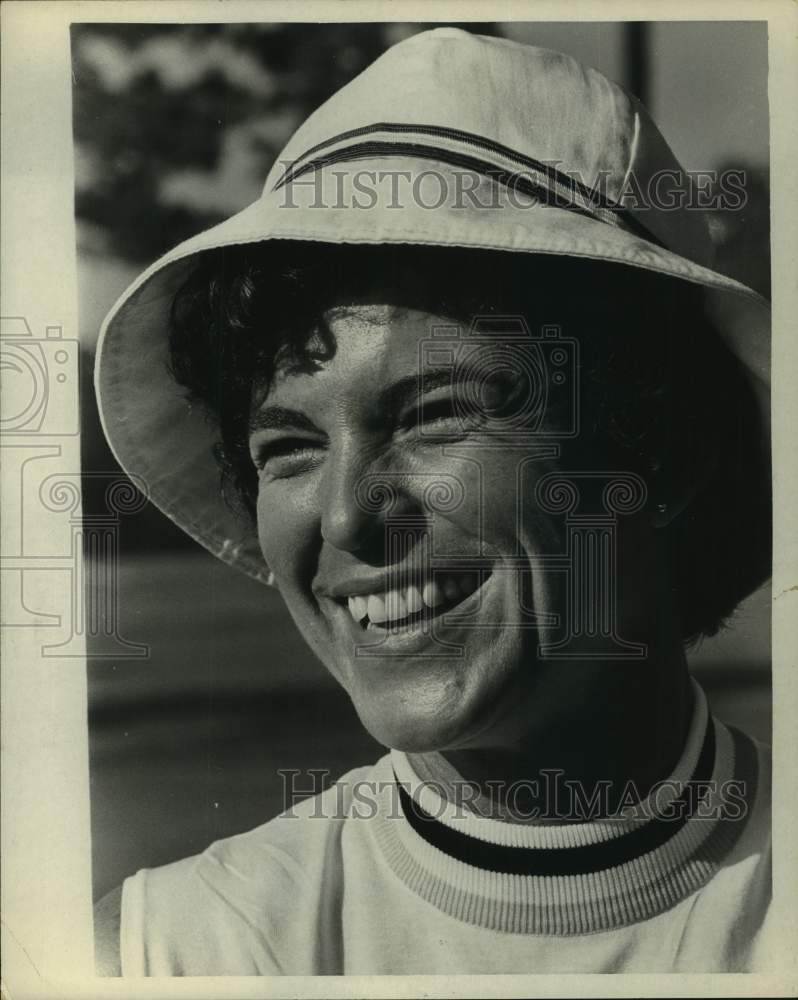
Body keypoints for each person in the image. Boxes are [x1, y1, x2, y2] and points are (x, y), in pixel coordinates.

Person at [93, 28, 772, 975]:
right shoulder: (175, 954)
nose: (342, 520)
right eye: (287, 447)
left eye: (433, 415)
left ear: (667, 445)